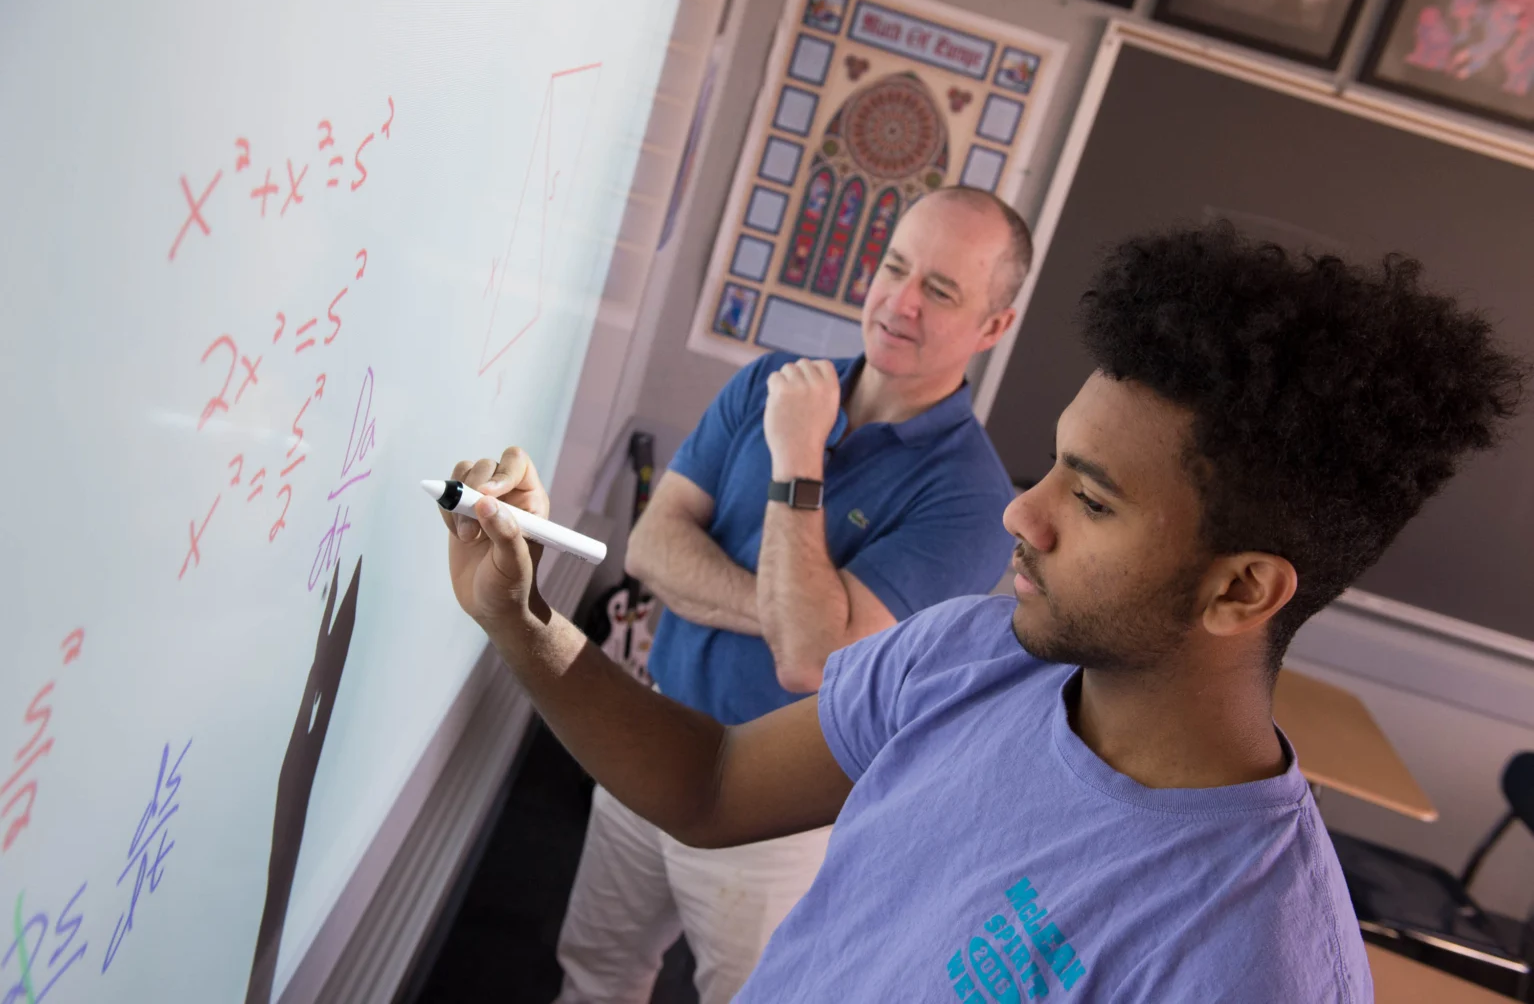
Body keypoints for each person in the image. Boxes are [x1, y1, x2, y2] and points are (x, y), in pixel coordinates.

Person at [439, 223, 1527, 1000]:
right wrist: (524, 624)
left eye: (1091, 500)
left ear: (1240, 587)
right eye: (1053, 466)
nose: (1022, 511)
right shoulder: (976, 654)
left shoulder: (1249, 958)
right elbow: (713, 784)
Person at [545, 186, 1030, 1003]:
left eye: (940, 290)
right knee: (594, 976)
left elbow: (813, 662)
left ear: (993, 327)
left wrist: (798, 455)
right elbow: (653, 548)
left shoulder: (974, 498)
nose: (899, 302)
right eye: (894, 266)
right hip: (654, 725)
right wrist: (786, 612)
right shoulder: (775, 380)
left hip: (776, 806)